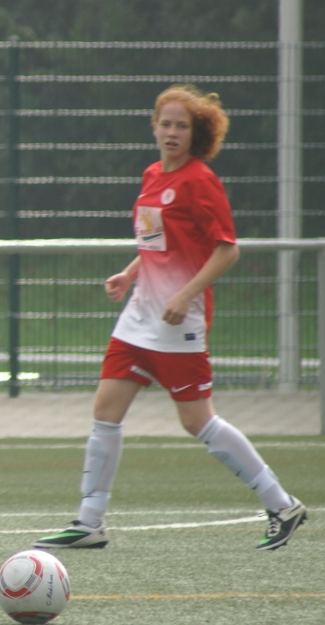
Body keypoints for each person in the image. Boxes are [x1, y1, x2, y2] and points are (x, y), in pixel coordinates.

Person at [33, 84, 306, 553]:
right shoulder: (152, 175)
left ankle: (282, 505)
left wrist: (186, 293)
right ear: (154, 127)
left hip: (179, 324)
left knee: (198, 421)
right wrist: (129, 274)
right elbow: (155, 243)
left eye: (182, 125)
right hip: (139, 317)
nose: (172, 132)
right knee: (106, 411)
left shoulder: (201, 181)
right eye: (166, 123)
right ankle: (90, 521)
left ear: (196, 133)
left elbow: (228, 250)